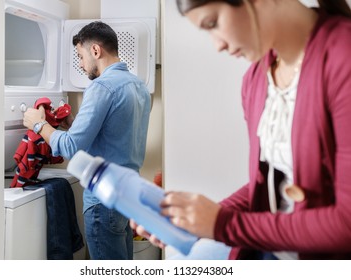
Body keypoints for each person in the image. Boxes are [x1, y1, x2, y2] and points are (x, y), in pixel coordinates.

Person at [132, 0, 351, 260]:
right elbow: (267, 185)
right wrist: (193, 219)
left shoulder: (342, 58)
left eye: (213, 23)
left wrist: (221, 224)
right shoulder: (256, 79)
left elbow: (346, 224)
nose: (218, 45)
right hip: (270, 249)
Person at [24, 21, 151, 260]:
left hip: (103, 200)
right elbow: (114, 136)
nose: (81, 65)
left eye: (80, 56)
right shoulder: (139, 86)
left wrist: (39, 125)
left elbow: (72, 147)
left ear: (95, 51)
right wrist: (73, 125)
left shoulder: (101, 86)